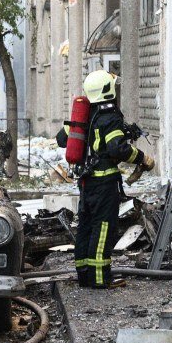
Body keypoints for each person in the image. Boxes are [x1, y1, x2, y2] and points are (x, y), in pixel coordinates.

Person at [56, 70, 155, 289]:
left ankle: (84, 276)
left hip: (85, 182)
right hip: (104, 183)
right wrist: (141, 158)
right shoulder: (110, 117)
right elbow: (117, 148)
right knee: (103, 229)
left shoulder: (82, 114)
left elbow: (62, 139)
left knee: (86, 228)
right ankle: (100, 279)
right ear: (107, 90)